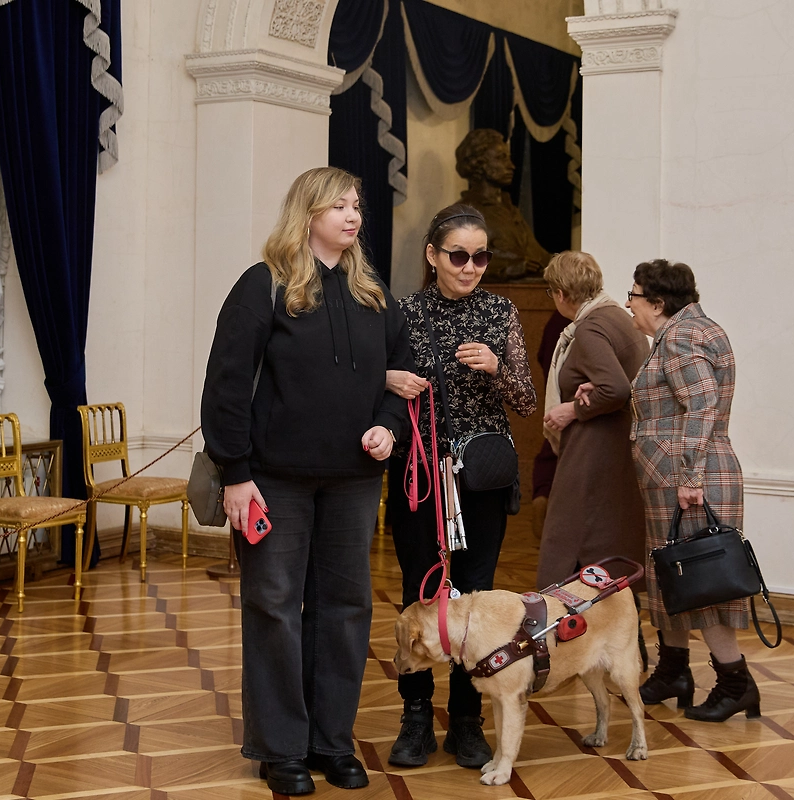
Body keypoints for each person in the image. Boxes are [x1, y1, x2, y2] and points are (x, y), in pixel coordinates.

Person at [200, 167, 414, 794]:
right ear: (307, 212)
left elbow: (402, 372)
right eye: (339, 206)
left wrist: (388, 425)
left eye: (357, 206)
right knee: (274, 609)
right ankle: (281, 748)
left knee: (345, 610)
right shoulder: (261, 286)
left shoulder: (373, 293)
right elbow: (226, 388)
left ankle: (331, 741)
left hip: (353, 480)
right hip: (274, 482)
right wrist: (236, 476)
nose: (353, 216)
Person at [384, 203, 537, 769]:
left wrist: (499, 367)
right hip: (419, 474)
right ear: (432, 255)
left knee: (475, 597)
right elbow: (374, 388)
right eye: (458, 256)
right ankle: (416, 719)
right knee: (422, 591)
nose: (471, 267)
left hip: (483, 477)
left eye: (480, 256)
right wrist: (388, 378)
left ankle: (468, 723)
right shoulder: (404, 314)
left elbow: (526, 400)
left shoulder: (500, 311)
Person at [623, 258, 758, 722]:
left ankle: (735, 682)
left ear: (658, 303)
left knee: (704, 585)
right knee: (673, 576)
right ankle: (674, 670)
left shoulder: (680, 337)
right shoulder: (686, 330)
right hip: (676, 480)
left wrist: (690, 476)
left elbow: (701, 405)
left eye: (635, 296)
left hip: (690, 481)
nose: (628, 304)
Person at [536, 251, 648, 592]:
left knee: (570, 547)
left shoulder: (590, 329)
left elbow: (615, 388)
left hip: (594, 453)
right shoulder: (616, 316)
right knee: (610, 548)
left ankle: (564, 634)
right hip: (614, 451)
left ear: (561, 294)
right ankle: (621, 638)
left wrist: (572, 410)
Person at [455, 128, 551, 281]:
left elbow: (539, 255)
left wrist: (567, 263)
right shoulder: (464, 213)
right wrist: (510, 268)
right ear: (479, 163)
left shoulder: (510, 210)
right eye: (501, 158)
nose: (511, 166)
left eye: (508, 158)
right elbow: (456, 263)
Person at [530, 309, 570, 541]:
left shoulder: (556, 320)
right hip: (573, 399)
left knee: (549, 445)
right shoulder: (579, 320)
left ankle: (541, 495)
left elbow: (541, 355)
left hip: (554, 392)